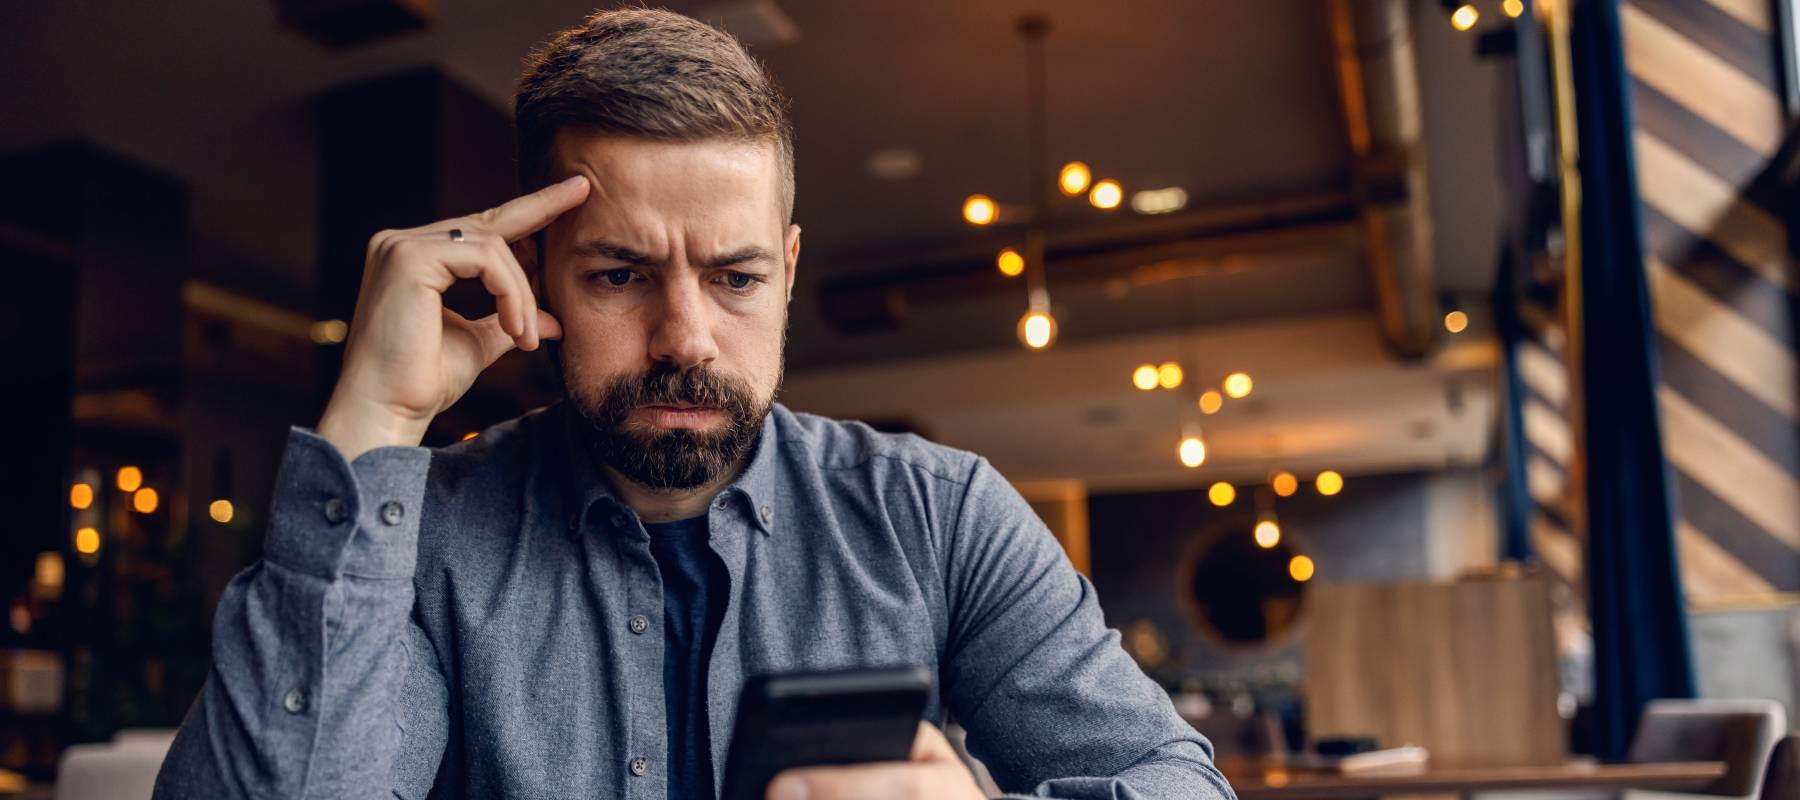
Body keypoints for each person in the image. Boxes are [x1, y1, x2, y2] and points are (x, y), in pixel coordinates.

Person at [152, 8, 1235, 799]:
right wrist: (374, 422)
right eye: (620, 274)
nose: (685, 338)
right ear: (534, 272)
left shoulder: (941, 518)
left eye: (737, 276)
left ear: (791, 267)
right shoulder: (427, 535)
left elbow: (1175, 784)